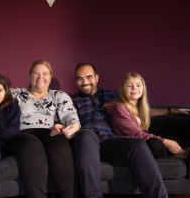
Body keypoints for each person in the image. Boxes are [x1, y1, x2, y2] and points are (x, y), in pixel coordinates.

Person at [0, 60, 80, 198]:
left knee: (61, 144)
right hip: (23, 134)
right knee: (31, 144)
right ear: (29, 76)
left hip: (50, 132)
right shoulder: (17, 94)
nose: (40, 77)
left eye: (44, 73)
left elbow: (70, 115)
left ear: (50, 76)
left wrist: (69, 127)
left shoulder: (59, 95)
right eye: (36, 73)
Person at [70, 62, 168, 198]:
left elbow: (139, 109)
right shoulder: (70, 100)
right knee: (86, 135)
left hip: (110, 142)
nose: (84, 82)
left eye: (88, 77)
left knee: (137, 144)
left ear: (97, 78)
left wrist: (170, 110)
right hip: (86, 143)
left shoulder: (113, 96)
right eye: (80, 78)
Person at [105, 72, 190, 159]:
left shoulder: (137, 106)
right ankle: (178, 154)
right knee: (155, 143)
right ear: (123, 89)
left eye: (138, 85)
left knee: (176, 123)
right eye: (129, 86)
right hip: (131, 145)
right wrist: (167, 142)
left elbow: (148, 111)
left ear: (143, 88)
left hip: (144, 139)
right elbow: (135, 134)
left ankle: (184, 149)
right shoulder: (120, 107)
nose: (134, 88)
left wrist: (172, 110)